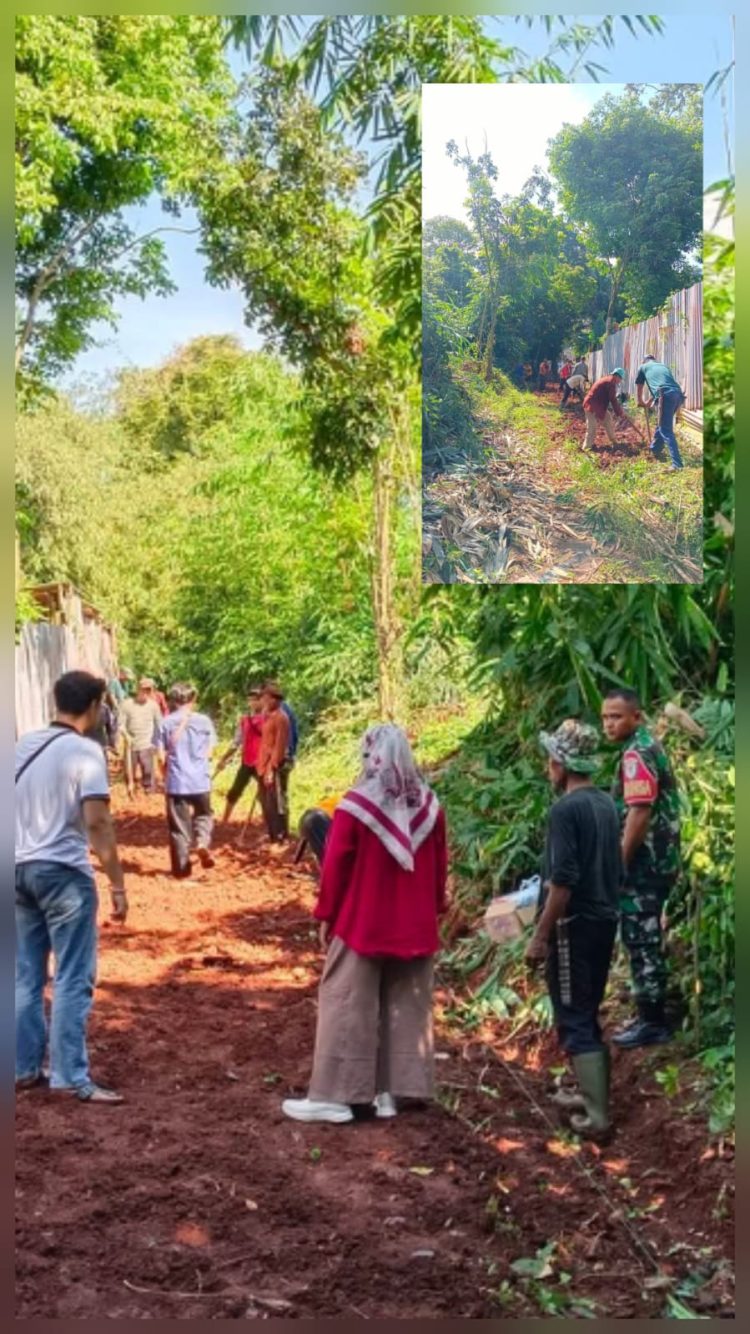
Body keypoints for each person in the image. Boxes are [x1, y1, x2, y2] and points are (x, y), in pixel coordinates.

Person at [282, 724, 448, 1124]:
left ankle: (336, 1097)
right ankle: (393, 1092)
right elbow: (439, 870)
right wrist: (434, 910)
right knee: (405, 1004)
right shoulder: (429, 806)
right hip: (415, 925)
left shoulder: (356, 807)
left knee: (346, 1001)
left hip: (363, 922)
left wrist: (326, 915)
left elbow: (335, 868)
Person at [15, 670, 128, 1103]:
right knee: (72, 975)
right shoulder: (86, 752)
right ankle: (70, 1075)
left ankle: (23, 1068)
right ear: (96, 706)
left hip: (17, 870)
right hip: (63, 873)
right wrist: (117, 884)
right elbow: (97, 821)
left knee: (25, 974)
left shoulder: (23, 745)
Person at [525, 719, 621, 1139]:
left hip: (573, 927)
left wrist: (540, 936)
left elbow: (562, 880)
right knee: (587, 1006)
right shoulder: (605, 804)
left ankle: (597, 1116)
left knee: (574, 1016)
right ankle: (589, 1095)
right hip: (603, 921)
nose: (549, 769)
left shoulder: (565, 810)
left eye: (551, 761)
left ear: (561, 764)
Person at [602, 689, 681, 1048]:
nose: (609, 724)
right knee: (644, 933)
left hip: (646, 861)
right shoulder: (645, 745)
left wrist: (619, 862)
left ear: (636, 716)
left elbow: (639, 811)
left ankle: (653, 1022)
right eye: (605, 717)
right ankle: (650, 1012)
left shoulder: (636, 752)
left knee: (640, 935)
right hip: (658, 857)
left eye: (616, 717)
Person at [160, 683, 217, 878]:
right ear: (193, 700)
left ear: (174, 701)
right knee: (204, 815)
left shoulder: (166, 723)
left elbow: (160, 756)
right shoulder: (204, 721)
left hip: (177, 782)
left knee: (179, 828)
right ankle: (202, 841)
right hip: (200, 780)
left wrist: (163, 775)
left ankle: (182, 871)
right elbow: (210, 752)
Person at [215, 686, 265, 823]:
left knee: (266, 795)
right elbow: (236, 742)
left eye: (256, 700)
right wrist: (224, 758)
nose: (253, 703)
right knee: (235, 790)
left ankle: (267, 822)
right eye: (250, 700)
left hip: (262, 763)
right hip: (247, 761)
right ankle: (225, 819)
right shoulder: (244, 720)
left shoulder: (269, 719)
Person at [635, 354, 685, 470]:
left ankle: (677, 464)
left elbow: (639, 386)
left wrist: (641, 401)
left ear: (645, 361)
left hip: (665, 395)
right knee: (662, 424)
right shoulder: (663, 366)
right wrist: (648, 402)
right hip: (678, 394)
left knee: (665, 429)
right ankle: (655, 449)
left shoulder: (643, 367)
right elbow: (662, 385)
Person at [257, 684, 291, 845]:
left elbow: (279, 745)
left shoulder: (281, 718)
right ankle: (271, 834)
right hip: (263, 765)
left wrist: (272, 768)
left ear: (274, 699)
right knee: (266, 802)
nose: (263, 701)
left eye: (266, 698)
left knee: (277, 801)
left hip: (275, 765)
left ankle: (280, 836)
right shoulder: (269, 716)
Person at [119, 677, 163, 795]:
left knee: (148, 773)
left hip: (147, 745)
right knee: (129, 774)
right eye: (144, 689)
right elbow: (120, 725)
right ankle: (131, 795)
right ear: (138, 689)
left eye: (149, 690)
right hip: (131, 745)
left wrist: (157, 744)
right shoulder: (127, 705)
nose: (146, 693)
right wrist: (126, 735)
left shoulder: (153, 706)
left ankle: (148, 793)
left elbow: (159, 725)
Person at [581, 368, 633, 449]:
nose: (620, 381)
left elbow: (611, 399)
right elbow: (613, 399)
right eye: (620, 379)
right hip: (591, 405)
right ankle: (586, 447)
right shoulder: (610, 383)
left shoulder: (609, 380)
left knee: (608, 419)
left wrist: (619, 411)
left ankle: (614, 442)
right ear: (617, 376)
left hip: (598, 405)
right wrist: (620, 412)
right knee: (592, 427)